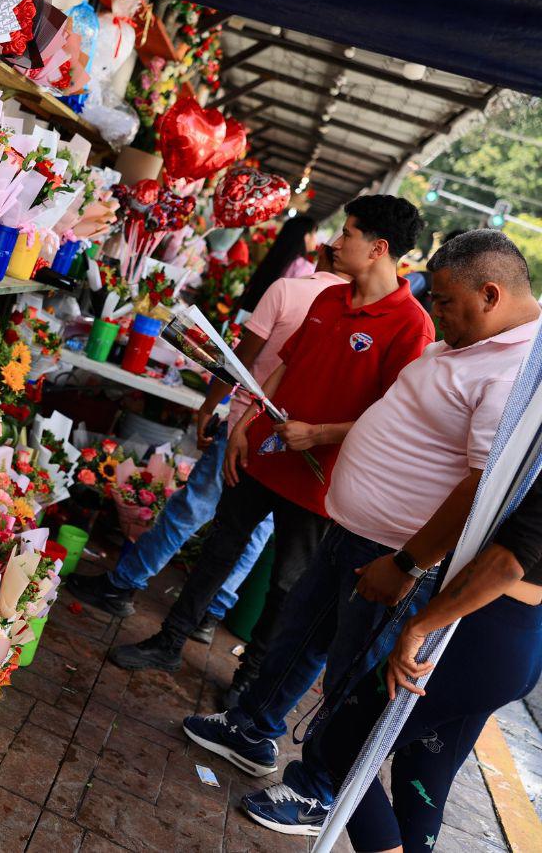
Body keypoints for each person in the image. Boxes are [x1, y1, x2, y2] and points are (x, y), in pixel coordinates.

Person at [180, 230, 541, 834]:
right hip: (356, 530)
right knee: (302, 634)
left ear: (490, 294)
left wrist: (407, 564)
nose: (436, 313)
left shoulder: (515, 371)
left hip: (396, 553)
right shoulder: (472, 342)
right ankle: (252, 728)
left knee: (353, 677)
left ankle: (318, 790)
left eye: (445, 302)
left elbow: (478, 488)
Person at [108, 196, 433, 689]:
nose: (334, 242)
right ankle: (170, 641)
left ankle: (248, 679)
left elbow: (391, 417)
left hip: (321, 481)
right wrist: (245, 423)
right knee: (219, 549)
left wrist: (317, 435)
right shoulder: (328, 298)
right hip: (263, 454)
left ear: (378, 248)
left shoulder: (411, 325)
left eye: (347, 233)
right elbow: (285, 366)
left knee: (287, 584)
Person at [67, 245, 349, 652]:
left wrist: (207, 406)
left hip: (244, 428)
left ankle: (124, 584)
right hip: (286, 441)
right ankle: (211, 613)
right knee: (257, 533)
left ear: (324, 255)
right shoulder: (345, 312)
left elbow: (239, 361)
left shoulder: (289, 290)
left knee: (192, 508)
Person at [320, 470, 542, 853]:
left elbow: (508, 561)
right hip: (515, 637)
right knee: (422, 776)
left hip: (476, 633)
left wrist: (420, 627)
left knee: (344, 744)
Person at [236, 215, 319, 314]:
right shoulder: (305, 268)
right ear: (306, 237)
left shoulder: (275, 258)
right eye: (315, 234)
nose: (316, 239)